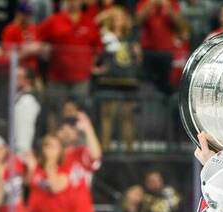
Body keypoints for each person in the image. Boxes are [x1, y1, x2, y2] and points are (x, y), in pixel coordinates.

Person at [38, 0, 102, 110]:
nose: (74, 2)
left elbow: (98, 47)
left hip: (81, 79)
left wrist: (91, 65)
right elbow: (38, 38)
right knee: (54, 111)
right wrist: (43, 50)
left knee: (79, 112)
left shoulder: (89, 22)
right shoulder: (55, 20)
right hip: (57, 78)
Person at [94, 5, 140, 151]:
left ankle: (129, 150)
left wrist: (138, 55)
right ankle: (105, 149)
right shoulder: (104, 36)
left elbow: (137, 59)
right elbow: (94, 23)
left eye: (121, 17)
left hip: (129, 80)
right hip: (109, 80)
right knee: (107, 116)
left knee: (128, 117)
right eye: (115, 17)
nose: (118, 20)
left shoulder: (131, 37)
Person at [57, 111, 102, 212]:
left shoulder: (81, 152)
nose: (67, 133)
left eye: (71, 130)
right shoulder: (52, 155)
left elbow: (95, 155)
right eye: (63, 130)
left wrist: (88, 128)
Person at [25, 134, 71, 212]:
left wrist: (50, 166)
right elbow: (27, 183)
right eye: (47, 146)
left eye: (53, 147)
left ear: (60, 150)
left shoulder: (64, 168)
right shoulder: (36, 167)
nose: (49, 150)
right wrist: (30, 168)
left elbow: (55, 188)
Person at [136, 0, 182, 94]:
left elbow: (179, 24)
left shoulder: (172, 2)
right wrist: (149, 5)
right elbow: (137, 21)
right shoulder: (144, 2)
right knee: (147, 84)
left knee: (166, 85)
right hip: (148, 50)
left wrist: (169, 8)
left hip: (166, 51)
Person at [1, 1, 42, 75]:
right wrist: (26, 51)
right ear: (19, 14)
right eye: (26, 14)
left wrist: (39, 48)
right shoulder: (10, 29)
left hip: (33, 70)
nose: (29, 17)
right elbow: (7, 56)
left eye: (30, 14)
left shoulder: (34, 28)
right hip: (17, 71)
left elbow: (40, 47)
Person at [14, 66, 42, 156]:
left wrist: (22, 151)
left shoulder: (27, 100)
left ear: (28, 81)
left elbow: (25, 128)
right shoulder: (19, 96)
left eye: (18, 77)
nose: (14, 79)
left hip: (23, 150)